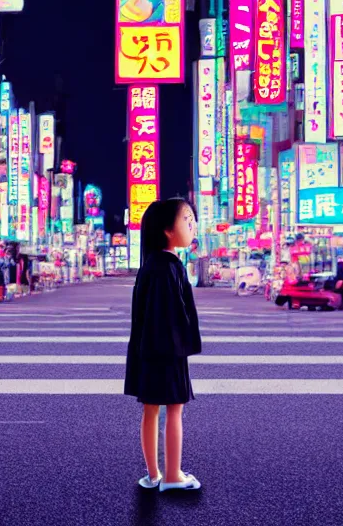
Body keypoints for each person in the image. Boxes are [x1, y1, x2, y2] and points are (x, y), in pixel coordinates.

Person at [123, 198, 202, 492]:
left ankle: (154, 474)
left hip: (148, 350)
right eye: (186, 220)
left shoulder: (152, 265)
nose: (192, 225)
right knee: (174, 410)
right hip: (168, 351)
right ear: (168, 230)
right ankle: (172, 475)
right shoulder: (169, 267)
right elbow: (172, 315)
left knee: (150, 410)